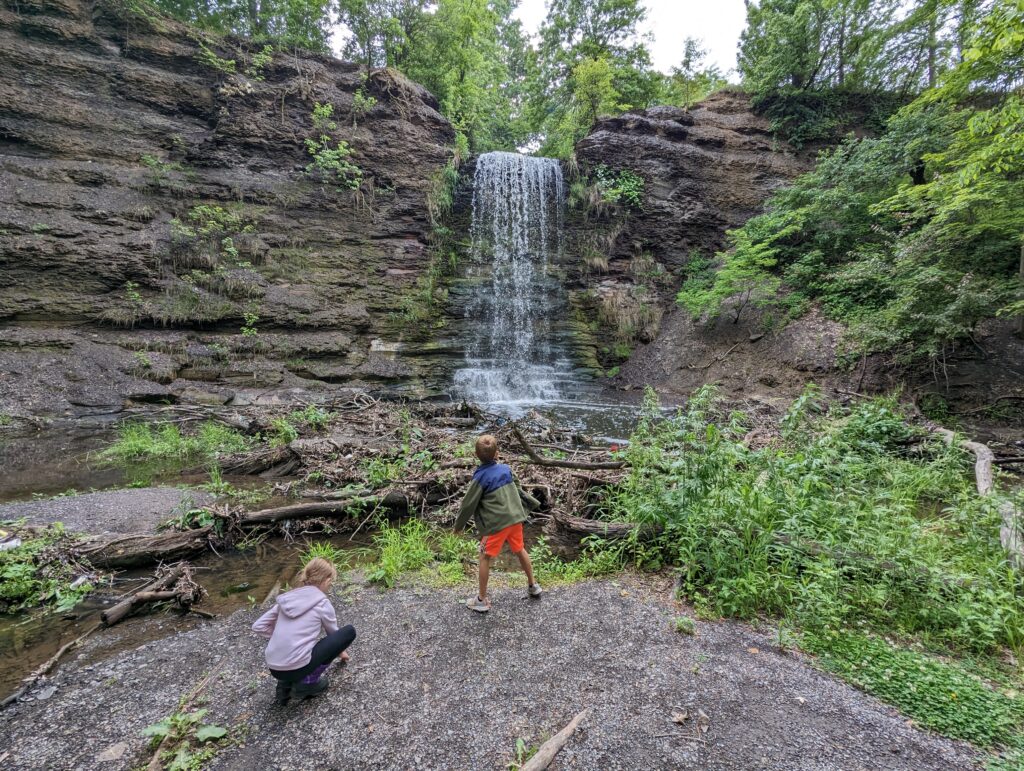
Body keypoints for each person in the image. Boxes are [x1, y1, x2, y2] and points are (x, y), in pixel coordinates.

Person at [455, 434, 542, 613]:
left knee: (484, 556)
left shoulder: (480, 476)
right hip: (515, 519)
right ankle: (533, 586)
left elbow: (468, 505)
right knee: (520, 549)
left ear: (476, 455)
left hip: (496, 525)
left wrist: (458, 526)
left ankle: (480, 599)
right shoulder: (506, 469)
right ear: (497, 453)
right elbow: (517, 489)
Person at [251, 557, 356, 705]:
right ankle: (307, 683)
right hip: (297, 666)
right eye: (330, 582)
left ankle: (284, 686)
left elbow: (258, 626)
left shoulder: (286, 600)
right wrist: (342, 653)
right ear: (326, 581)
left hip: (274, 667)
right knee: (349, 631)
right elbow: (334, 635)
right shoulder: (322, 603)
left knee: (295, 652)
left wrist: (281, 638)